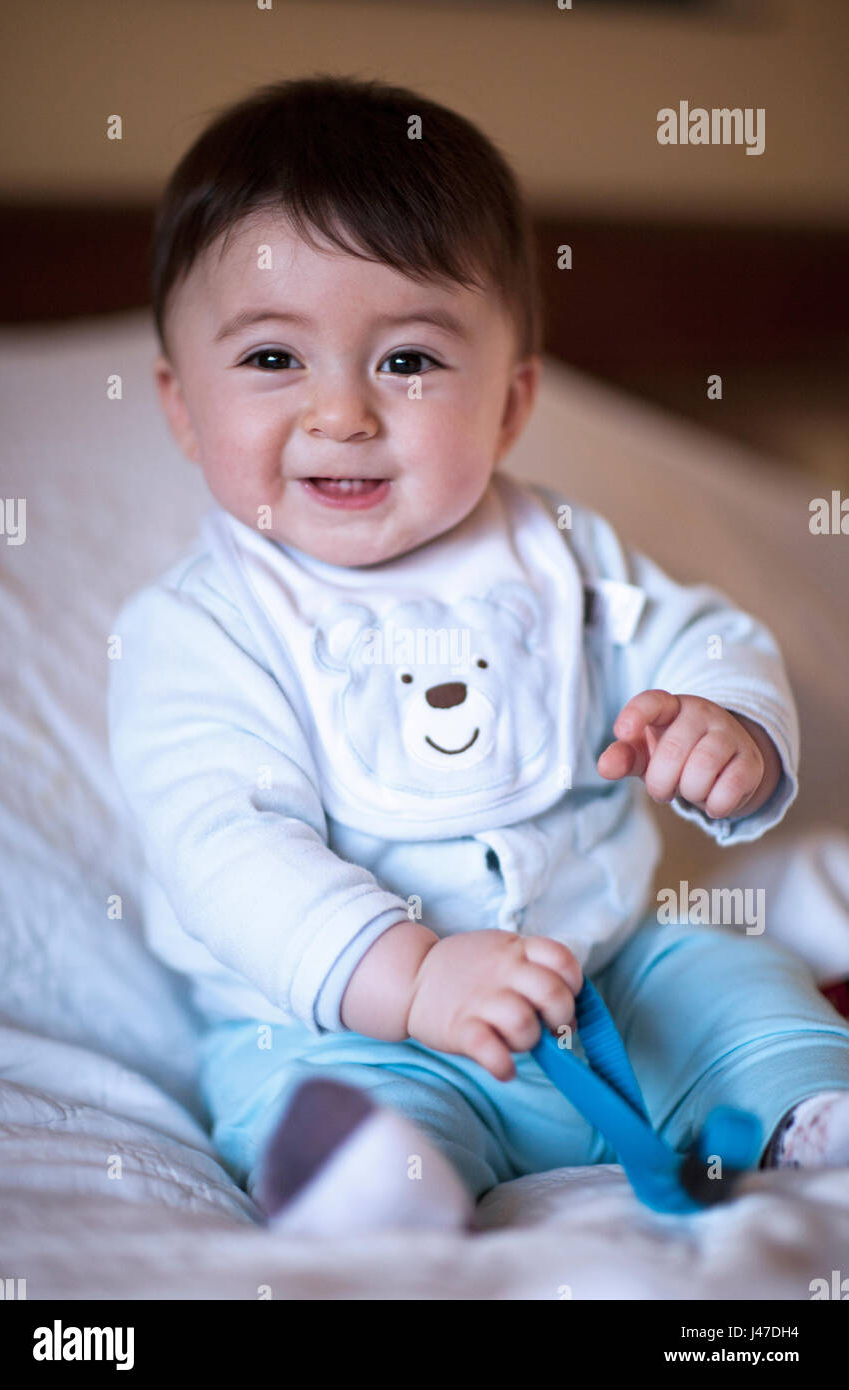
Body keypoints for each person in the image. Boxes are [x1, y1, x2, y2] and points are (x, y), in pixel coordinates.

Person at [108, 75, 849, 1236]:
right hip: (346, 1020)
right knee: (311, 1092)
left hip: (601, 985)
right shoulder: (198, 629)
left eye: (406, 360)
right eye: (270, 360)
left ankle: (808, 1104)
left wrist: (724, 722)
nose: (341, 412)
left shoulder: (552, 551)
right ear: (182, 407)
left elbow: (696, 633)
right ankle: (378, 1184)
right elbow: (226, 847)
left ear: (509, 405)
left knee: (723, 979)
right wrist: (412, 977)